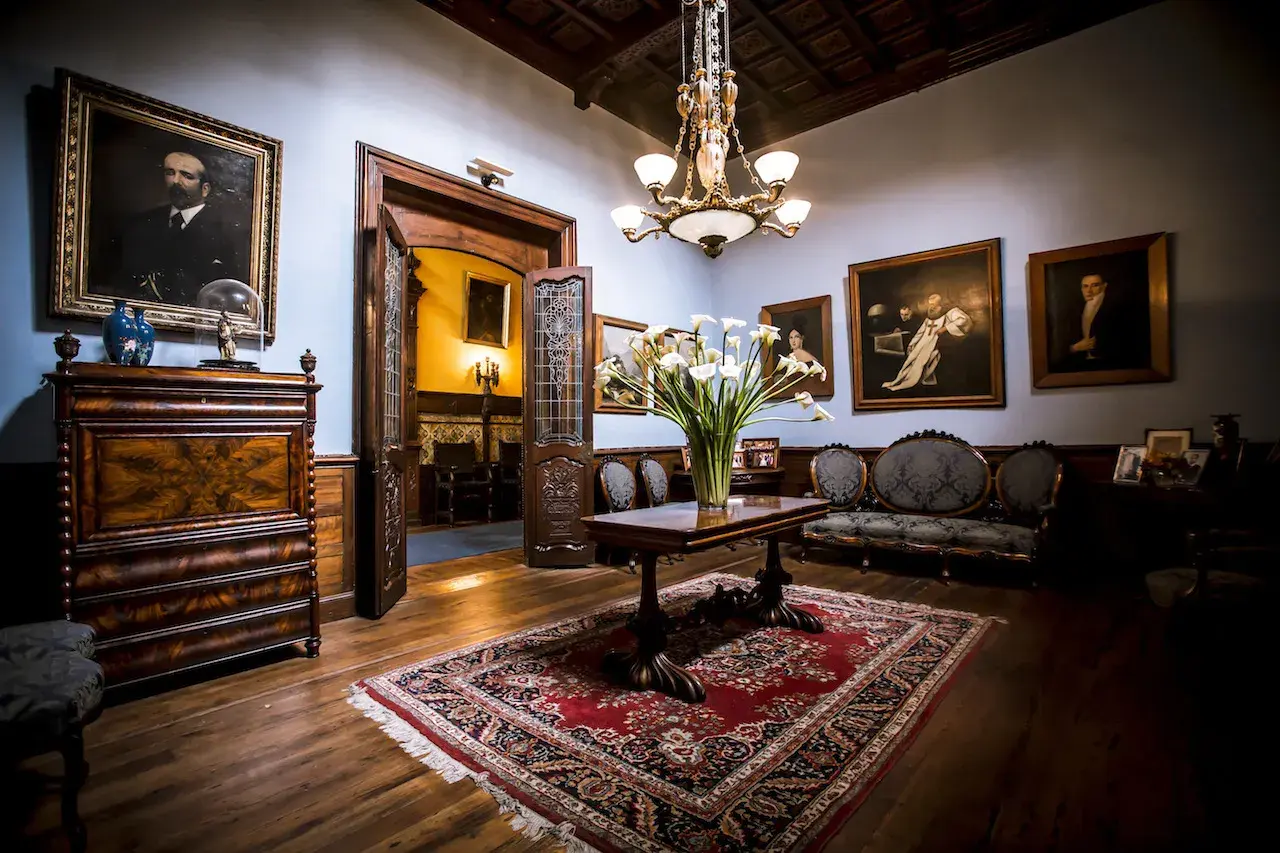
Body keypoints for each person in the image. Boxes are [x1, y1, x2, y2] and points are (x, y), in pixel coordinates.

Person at [113, 150, 243, 305]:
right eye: (170, 173)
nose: (176, 181)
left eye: (187, 176)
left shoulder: (225, 233)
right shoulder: (140, 223)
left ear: (205, 189)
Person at [883, 293, 971, 391]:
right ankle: (897, 381)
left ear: (939, 303)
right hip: (922, 342)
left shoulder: (948, 313)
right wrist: (912, 344)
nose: (931, 306)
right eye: (930, 304)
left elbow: (963, 320)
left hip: (935, 343)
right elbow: (920, 332)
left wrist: (945, 328)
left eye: (933, 304)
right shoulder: (929, 315)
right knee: (909, 360)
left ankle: (910, 382)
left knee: (921, 363)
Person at [1067, 273, 1142, 368]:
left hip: (1111, 363)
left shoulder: (1117, 307)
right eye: (1085, 286)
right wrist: (1075, 348)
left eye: (1095, 285)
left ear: (1104, 286)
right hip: (1081, 364)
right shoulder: (1075, 309)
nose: (1089, 290)